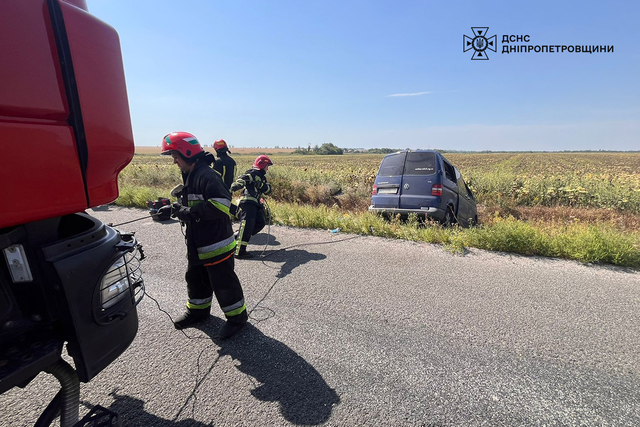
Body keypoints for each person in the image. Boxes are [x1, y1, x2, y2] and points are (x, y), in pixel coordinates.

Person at [158, 132, 247, 339]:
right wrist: (174, 208)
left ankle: (237, 318)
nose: (174, 161)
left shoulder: (207, 175)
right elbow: (192, 202)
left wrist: (189, 212)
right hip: (198, 242)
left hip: (216, 243)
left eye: (175, 156)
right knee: (196, 278)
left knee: (223, 283)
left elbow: (221, 205)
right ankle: (198, 312)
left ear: (187, 153)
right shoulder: (191, 174)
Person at [230, 155, 273, 259]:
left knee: (260, 223)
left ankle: (236, 236)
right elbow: (242, 179)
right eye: (267, 166)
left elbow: (268, 190)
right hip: (248, 203)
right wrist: (236, 186)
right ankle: (239, 252)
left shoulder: (262, 178)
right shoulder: (252, 173)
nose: (267, 168)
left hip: (256, 204)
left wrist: (261, 185)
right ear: (262, 165)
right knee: (246, 226)